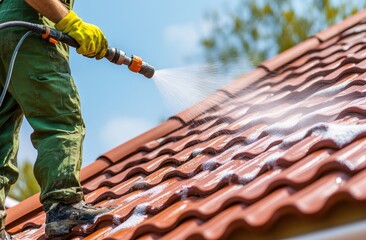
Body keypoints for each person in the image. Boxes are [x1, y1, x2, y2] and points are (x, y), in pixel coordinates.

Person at [0, 0, 113, 238]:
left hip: (4, 29)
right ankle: (64, 205)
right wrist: (72, 23)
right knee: (59, 118)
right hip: (28, 29)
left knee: (1, 134)